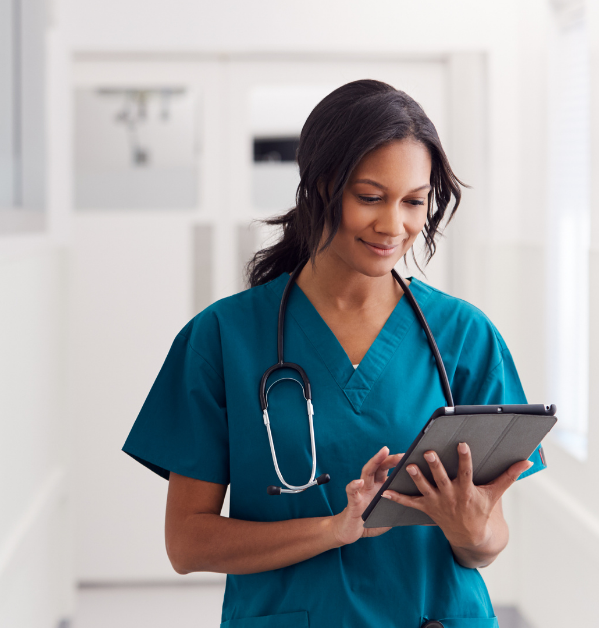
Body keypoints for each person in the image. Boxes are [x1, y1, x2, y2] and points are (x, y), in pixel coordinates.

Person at [121, 79, 546, 628]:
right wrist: (334, 528)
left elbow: (487, 544)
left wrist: (471, 529)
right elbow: (187, 543)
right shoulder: (222, 338)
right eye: (370, 197)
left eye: (414, 202)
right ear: (321, 188)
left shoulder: (464, 337)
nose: (394, 225)